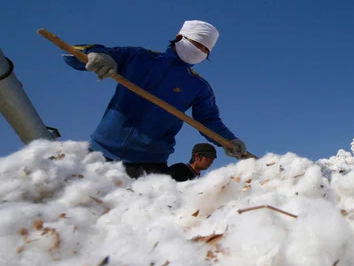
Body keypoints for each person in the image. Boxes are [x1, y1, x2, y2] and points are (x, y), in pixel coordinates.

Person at [64, 20, 246, 178]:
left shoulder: (198, 86)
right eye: (197, 44)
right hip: (99, 153)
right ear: (180, 37)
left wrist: (229, 141)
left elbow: (208, 120)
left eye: (205, 49)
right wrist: (95, 56)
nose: (200, 51)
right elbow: (77, 54)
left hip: (149, 165)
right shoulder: (140, 58)